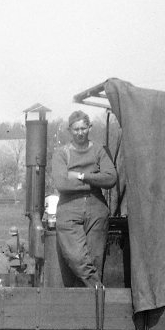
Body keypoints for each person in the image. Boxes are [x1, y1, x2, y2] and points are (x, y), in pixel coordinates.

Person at [50, 110, 118, 287]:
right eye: (76, 129)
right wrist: (95, 180)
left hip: (96, 209)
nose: (80, 133)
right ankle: (98, 288)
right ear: (69, 130)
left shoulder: (99, 150)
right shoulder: (61, 153)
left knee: (95, 259)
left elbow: (111, 178)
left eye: (83, 128)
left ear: (90, 127)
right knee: (76, 257)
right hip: (69, 209)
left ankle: (92, 308)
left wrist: (80, 176)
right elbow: (61, 184)